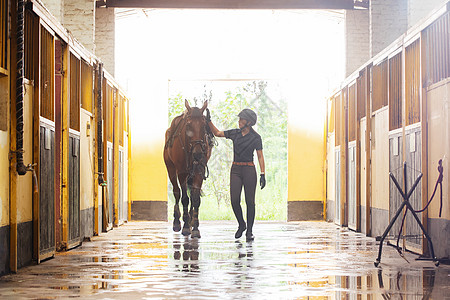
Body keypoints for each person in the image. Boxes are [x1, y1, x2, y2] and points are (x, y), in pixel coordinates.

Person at [206, 108, 266, 241]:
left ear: (249, 122)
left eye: (241, 119)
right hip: (236, 170)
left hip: (249, 170)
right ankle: (241, 224)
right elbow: (217, 133)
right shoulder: (235, 133)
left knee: (250, 202)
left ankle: (249, 231)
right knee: (234, 201)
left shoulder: (256, 138)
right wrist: (208, 120)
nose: (239, 121)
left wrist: (263, 174)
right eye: (239, 119)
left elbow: (260, 156)